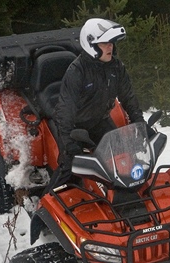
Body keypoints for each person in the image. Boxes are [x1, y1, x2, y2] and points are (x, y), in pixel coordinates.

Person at [49, 18, 151, 189]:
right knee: (70, 167)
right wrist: (68, 142)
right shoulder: (77, 71)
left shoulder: (116, 67)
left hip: (99, 121)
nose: (110, 47)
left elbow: (128, 97)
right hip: (75, 127)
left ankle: (125, 196)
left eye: (111, 43)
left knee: (122, 157)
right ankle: (45, 203)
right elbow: (66, 108)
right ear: (91, 45)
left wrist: (139, 122)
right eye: (105, 43)